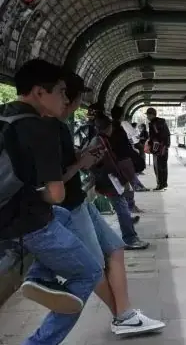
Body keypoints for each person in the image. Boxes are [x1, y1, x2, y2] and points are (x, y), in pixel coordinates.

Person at [51, 72, 165, 335]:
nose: (79, 106)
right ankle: (123, 316)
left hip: (79, 201)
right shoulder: (46, 128)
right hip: (68, 206)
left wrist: (82, 157)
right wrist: (81, 162)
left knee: (115, 247)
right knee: (92, 266)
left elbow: (65, 166)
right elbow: (55, 182)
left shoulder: (59, 128)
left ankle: (124, 315)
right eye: (74, 98)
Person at [1, 59, 102, 344]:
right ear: (38, 92)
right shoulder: (40, 129)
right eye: (60, 91)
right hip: (28, 225)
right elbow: (56, 194)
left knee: (64, 216)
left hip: (5, 213)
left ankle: (39, 276)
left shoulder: (3, 116)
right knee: (90, 272)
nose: (65, 98)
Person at [89, 114, 150, 250]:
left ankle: (129, 235)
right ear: (109, 127)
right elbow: (92, 162)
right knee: (121, 206)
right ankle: (129, 238)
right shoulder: (99, 141)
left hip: (111, 179)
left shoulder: (101, 140)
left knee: (122, 204)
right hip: (108, 180)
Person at [146, 108, 170, 191]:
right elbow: (166, 135)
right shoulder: (162, 123)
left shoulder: (154, 124)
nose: (147, 117)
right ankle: (164, 183)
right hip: (164, 148)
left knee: (158, 167)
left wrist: (151, 145)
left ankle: (160, 185)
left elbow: (155, 137)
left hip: (158, 149)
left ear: (152, 115)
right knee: (163, 166)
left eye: (148, 115)